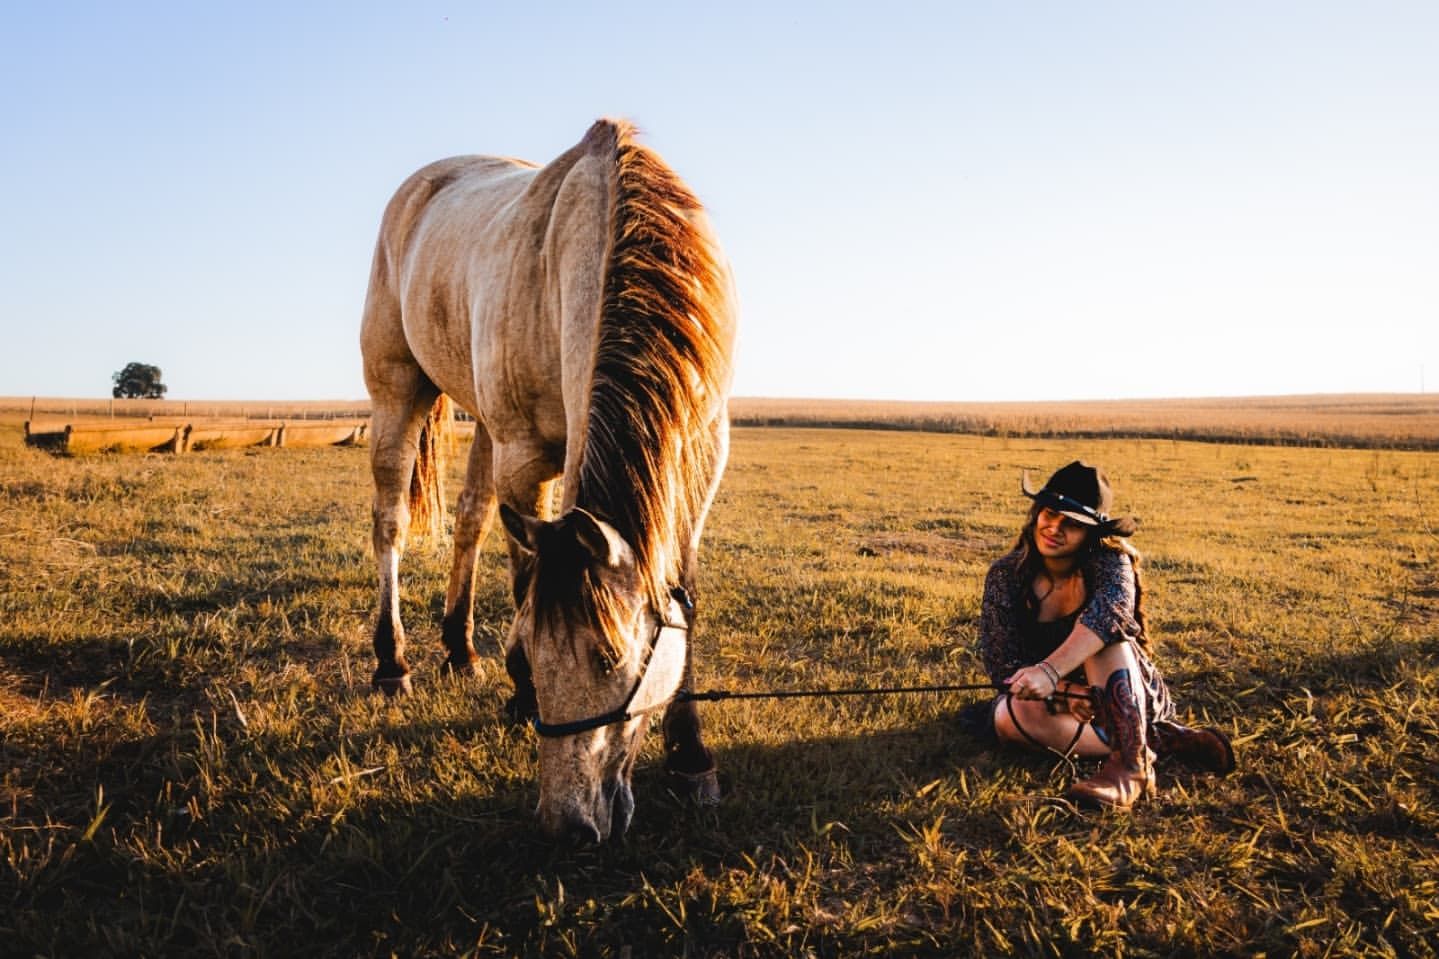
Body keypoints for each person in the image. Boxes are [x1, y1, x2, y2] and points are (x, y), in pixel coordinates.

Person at [966, 460, 1235, 810]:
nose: (1054, 528)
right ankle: (1163, 740)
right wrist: (1065, 690)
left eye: (1072, 523)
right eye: (1050, 513)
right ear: (1036, 514)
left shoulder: (1110, 562)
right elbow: (1004, 663)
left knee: (1102, 632)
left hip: (1124, 696)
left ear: (1091, 533)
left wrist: (1050, 672)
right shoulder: (1006, 574)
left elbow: (1111, 617)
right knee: (1007, 716)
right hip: (1059, 701)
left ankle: (1131, 767)